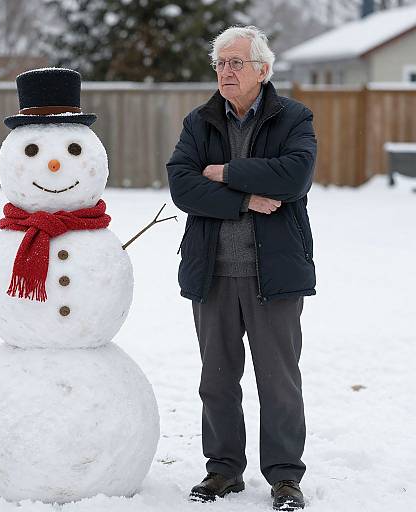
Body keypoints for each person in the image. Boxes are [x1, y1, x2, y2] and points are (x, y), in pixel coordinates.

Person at [166, 25, 317, 511]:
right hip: (212, 271)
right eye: (220, 64)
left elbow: (294, 176)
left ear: (263, 70)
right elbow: (182, 186)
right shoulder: (199, 122)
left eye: (236, 63)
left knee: (278, 380)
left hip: (273, 273)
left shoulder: (293, 117)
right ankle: (224, 470)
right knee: (216, 378)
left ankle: (284, 477)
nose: (226, 72)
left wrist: (226, 172)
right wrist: (247, 196)